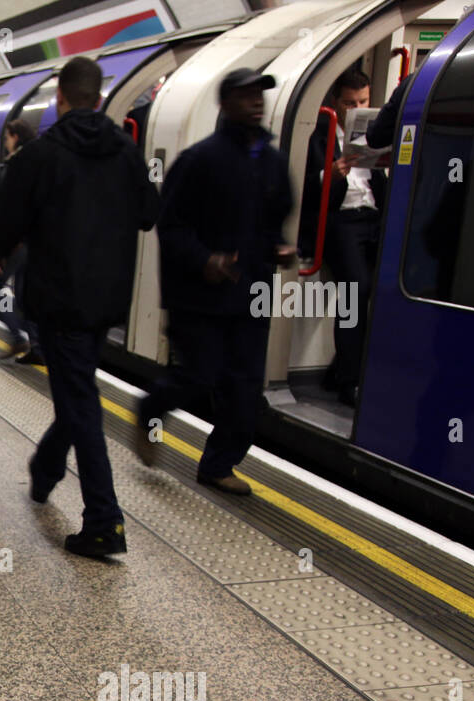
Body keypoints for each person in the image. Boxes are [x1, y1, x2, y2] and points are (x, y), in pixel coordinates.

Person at [0, 57, 159, 558]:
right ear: (99, 98)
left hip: (59, 298)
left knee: (79, 397)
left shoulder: (42, 154)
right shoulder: (125, 150)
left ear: (60, 97)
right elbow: (149, 213)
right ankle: (46, 469)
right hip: (105, 301)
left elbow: (5, 220)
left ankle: (104, 519)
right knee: (76, 389)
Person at [135, 68, 296, 495]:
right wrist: (205, 259)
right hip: (200, 298)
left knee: (245, 389)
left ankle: (218, 464)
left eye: (260, 94)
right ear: (224, 103)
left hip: (251, 294)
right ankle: (150, 407)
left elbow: (276, 219)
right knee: (197, 377)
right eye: (245, 95)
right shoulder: (199, 160)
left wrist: (280, 246)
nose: (256, 102)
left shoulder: (274, 161)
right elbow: (169, 226)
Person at [299, 67, 388, 407]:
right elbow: (303, 183)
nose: (356, 109)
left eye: (362, 101)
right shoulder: (317, 134)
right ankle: (348, 381)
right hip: (339, 220)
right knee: (356, 289)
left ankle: (343, 369)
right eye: (349, 103)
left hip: (374, 215)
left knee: (387, 288)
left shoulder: (376, 130)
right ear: (335, 103)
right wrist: (329, 174)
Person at [0, 118, 42, 364]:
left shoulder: (15, 166)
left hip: (17, 242)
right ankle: (37, 345)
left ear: (15, 137)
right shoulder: (41, 163)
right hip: (35, 241)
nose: (6, 143)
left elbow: (8, 209)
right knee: (23, 294)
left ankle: (18, 335)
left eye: (8, 138)